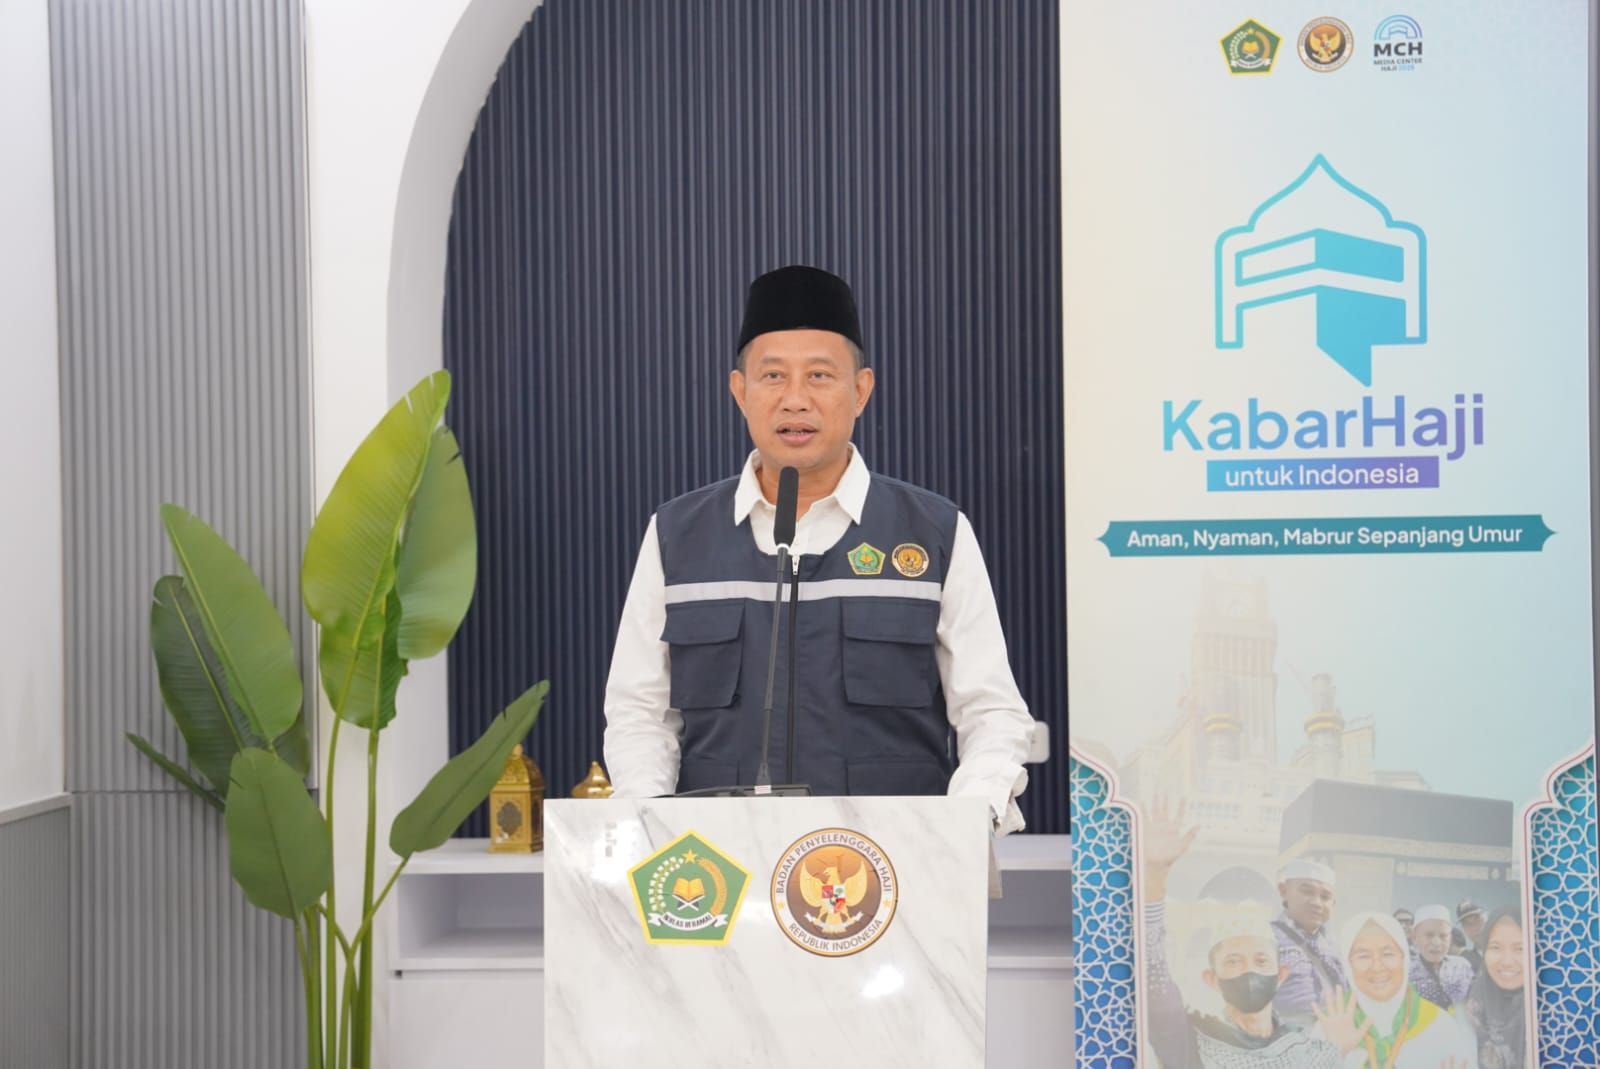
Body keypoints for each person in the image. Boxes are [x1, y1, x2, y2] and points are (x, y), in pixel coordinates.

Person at [602, 265, 1036, 831]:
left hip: (892, 860)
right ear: (740, 392)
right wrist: (650, 824)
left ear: (860, 391)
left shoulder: (934, 530)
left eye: (820, 376)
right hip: (723, 861)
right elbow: (640, 713)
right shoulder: (677, 534)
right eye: (773, 376)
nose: (795, 400)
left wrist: (966, 821)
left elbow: (991, 711)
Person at [1141, 799, 1349, 1068]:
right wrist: (1154, 875)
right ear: (1212, 979)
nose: (1248, 970)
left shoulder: (1313, 1054)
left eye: (1260, 960)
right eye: (1233, 961)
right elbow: (1153, 976)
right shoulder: (1188, 1041)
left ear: (1281, 975)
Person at [1339, 911, 1478, 1068]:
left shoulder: (1439, 1024)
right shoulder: (1330, 1027)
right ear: (1347, 963)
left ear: (1403, 959)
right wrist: (1334, 1052)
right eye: (1364, 956)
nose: (1377, 967)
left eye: (1387, 954)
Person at [1270, 860, 1348, 1029]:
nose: (1317, 903)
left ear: (1333, 904)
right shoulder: (1266, 938)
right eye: (1307, 892)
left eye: (1325, 897)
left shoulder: (1336, 946)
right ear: (1284, 891)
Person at [1459, 907, 1527, 1069]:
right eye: (1495, 947)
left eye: (1520, 948)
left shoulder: (1557, 1008)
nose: (1507, 961)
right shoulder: (1476, 1001)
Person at [1409, 904, 1474, 1009]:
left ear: (1450, 938)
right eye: (1429, 935)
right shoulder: (1404, 970)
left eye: (1443, 936)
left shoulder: (1462, 967)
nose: (1436, 942)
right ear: (1414, 937)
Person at [1456, 899, 1488, 976]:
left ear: (1487, 918)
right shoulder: (1464, 964)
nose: (1474, 928)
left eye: (1477, 920)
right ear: (1464, 930)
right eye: (1467, 924)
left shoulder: (1510, 948)